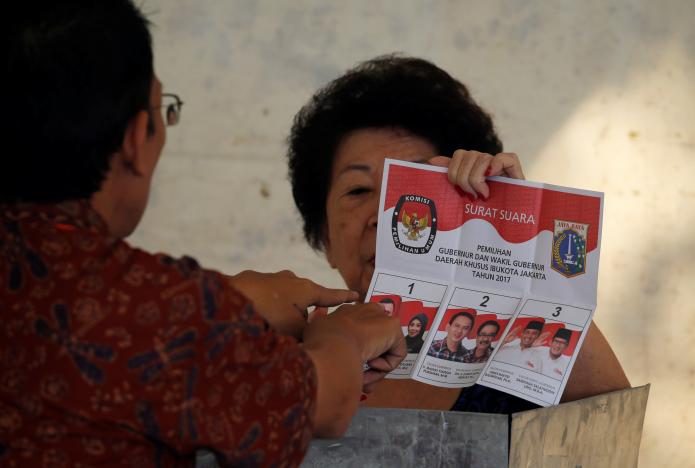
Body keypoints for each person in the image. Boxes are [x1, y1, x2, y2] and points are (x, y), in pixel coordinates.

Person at [0, 3, 405, 466]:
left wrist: (232, 301)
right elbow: (323, 401)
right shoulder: (167, 311)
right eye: (357, 190)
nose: (383, 216)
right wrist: (343, 337)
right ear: (137, 138)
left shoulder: (165, 308)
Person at [287, 54, 630, 412]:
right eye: (358, 190)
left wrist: (522, 250)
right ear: (324, 238)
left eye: (413, 184)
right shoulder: (282, 365)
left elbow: (614, 434)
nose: (387, 215)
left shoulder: (520, 348)